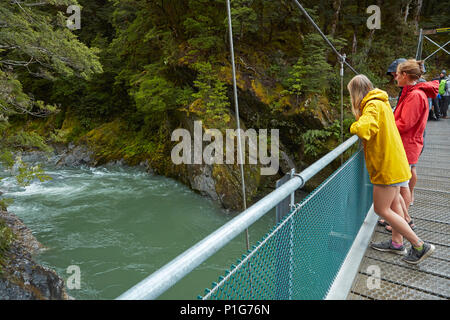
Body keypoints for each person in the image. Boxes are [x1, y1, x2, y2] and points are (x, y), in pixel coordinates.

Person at [348, 74, 435, 264]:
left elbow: (364, 129)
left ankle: (420, 245)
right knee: (395, 203)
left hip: (386, 166)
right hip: (396, 161)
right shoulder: (382, 101)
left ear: (354, 93)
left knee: (382, 209)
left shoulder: (372, 105)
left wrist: (353, 126)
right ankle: (397, 243)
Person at [393, 59, 439, 219]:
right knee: (401, 185)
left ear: (405, 75)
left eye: (398, 74)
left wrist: (384, 126)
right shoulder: (415, 93)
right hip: (408, 144)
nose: (395, 77)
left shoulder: (415, 96)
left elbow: (405, 123)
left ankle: (402, 221)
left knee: (401, 187)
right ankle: (401, 220)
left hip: (407, 146)